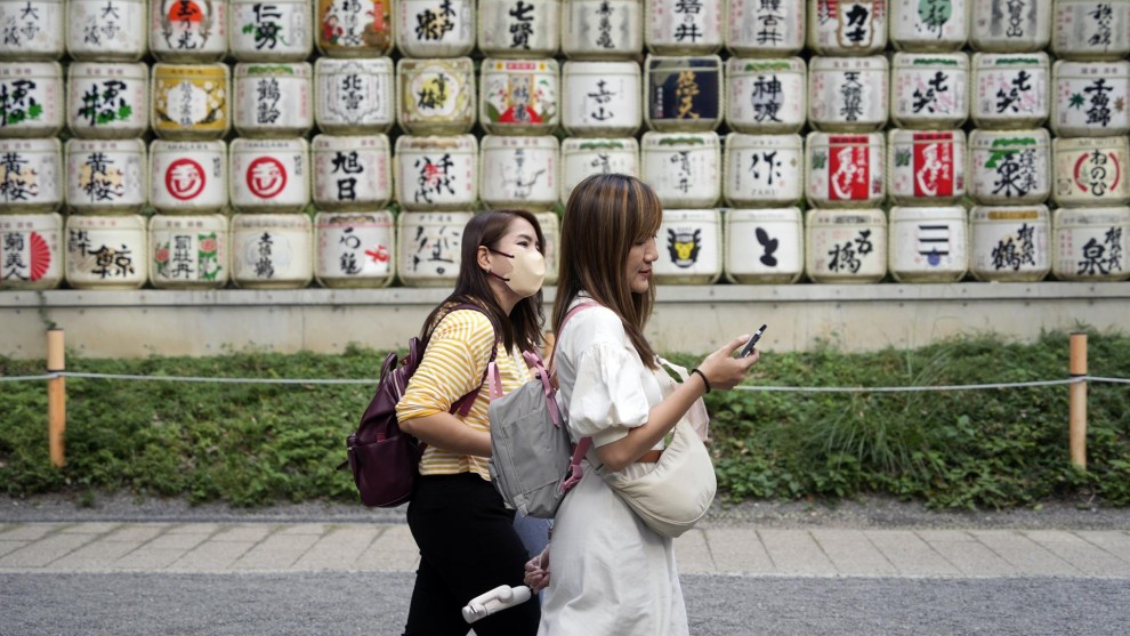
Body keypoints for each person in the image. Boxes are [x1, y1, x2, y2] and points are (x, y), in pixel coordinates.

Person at [534, 174, 760, 635]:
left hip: (610, 518)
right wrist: (701, 381)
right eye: (639, 241)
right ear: (604, 243)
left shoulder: (586, 315)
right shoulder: (599, 325)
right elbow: (617, 452)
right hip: (614, 529)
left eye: (652, 237)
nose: (653, 254)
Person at [396, 209, 548, 636]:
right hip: (462, 504)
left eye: (538, 247)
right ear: (485, 258)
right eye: (523, 244)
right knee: (524, 628)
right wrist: (504, 448)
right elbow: (416, 412)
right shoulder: (470, 323)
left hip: (464, 506)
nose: (535, 257)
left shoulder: (506, 332)